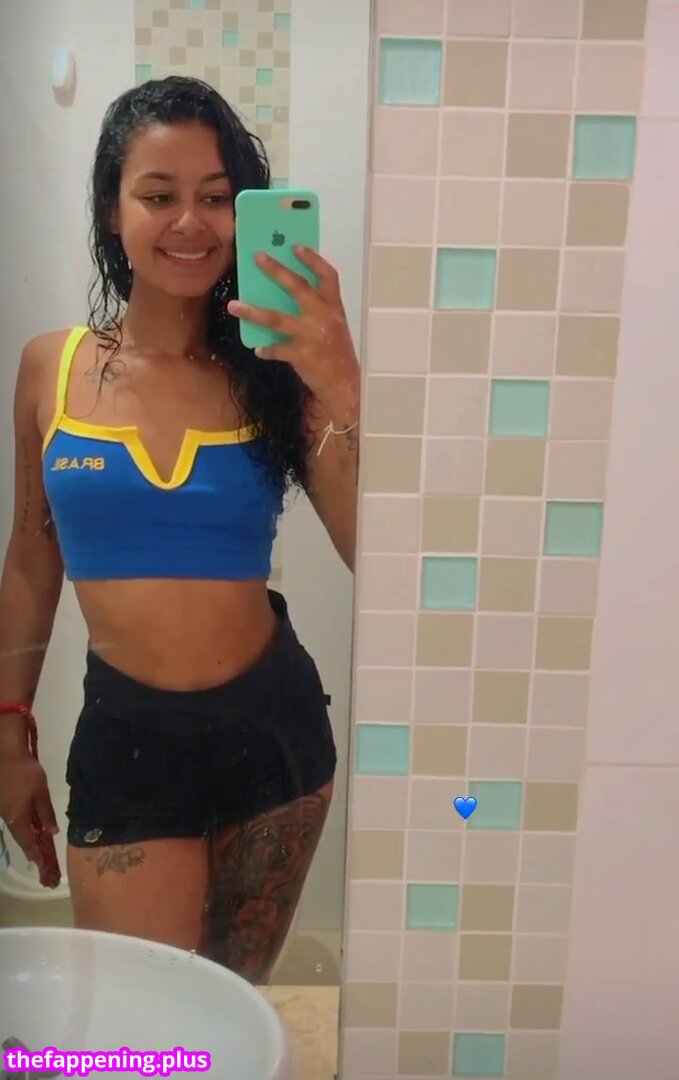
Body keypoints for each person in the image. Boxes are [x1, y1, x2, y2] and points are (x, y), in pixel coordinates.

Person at [0, 76, 360, 985]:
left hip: (273, 732)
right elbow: (32, 564)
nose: (190, 222)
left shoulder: (277, 375)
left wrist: (340, 381)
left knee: (229, 1014)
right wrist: (7, 735)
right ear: (112, 209)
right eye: (159, 196)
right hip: (128, 741)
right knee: (141, 1025)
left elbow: (378, 552)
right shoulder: (52, 370)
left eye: (216, 197)